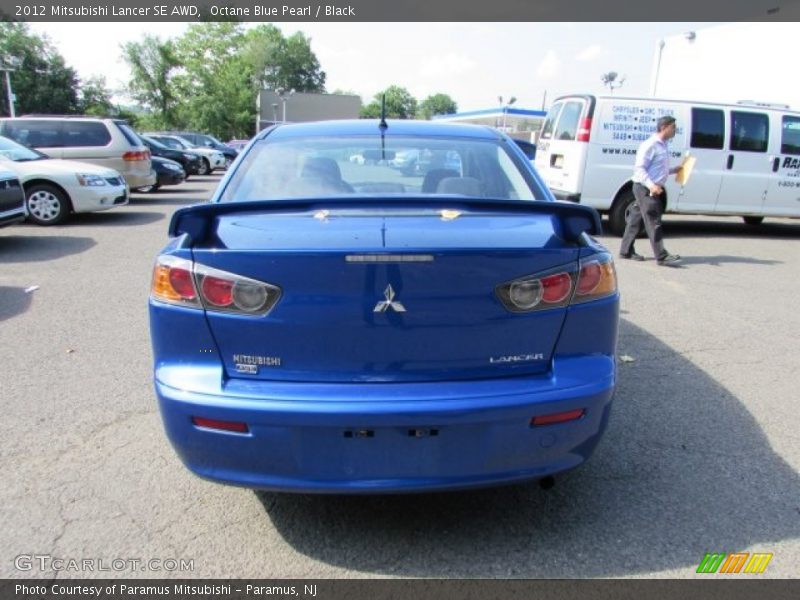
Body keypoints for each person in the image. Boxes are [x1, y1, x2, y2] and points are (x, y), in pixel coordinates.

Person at [619, 115, 682, 266]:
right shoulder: (650, 145)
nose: (675, 130)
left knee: (635, 219)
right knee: (653, 220)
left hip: (649, 187)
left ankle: (625, 251)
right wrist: (651, 186)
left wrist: (674, 170)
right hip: (645, 189)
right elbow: (640, 169)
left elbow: (657, 169)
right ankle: (661, 255)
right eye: (673, 127)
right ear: (664, 127)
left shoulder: (663, 145)